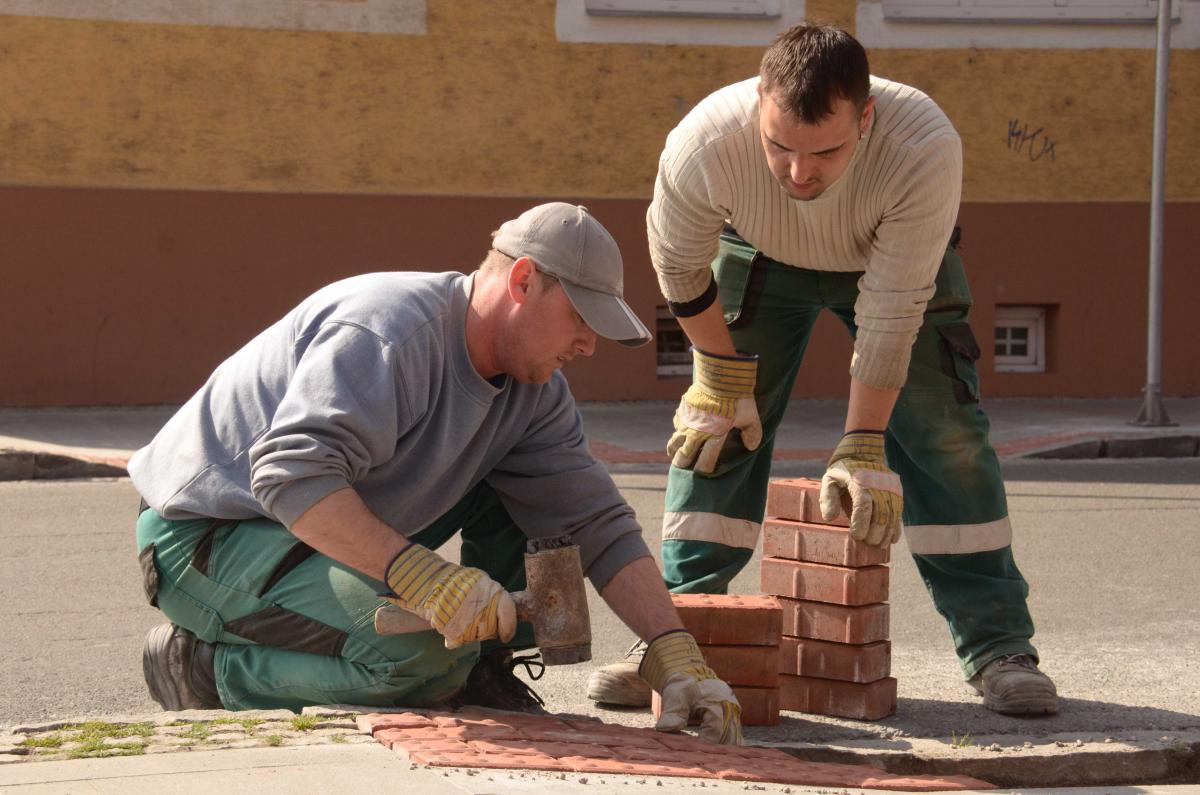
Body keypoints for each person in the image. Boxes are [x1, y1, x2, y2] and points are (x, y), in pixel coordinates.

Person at [131, 203, 742, 744]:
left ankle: (480, 667)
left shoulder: (534, 392)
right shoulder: (389, 332)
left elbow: (593, 521)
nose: (588, 345)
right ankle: (203, 669)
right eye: (582, 320)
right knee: (413, 663)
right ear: (524, 281)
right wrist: (420, 576)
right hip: (206, 538)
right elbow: (292, 476)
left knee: (528, 497)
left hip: (307, 534)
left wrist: (672, 649)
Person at [586, 25, 1058, 717]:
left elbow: (892, 313)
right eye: (779, 147)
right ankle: (672, 637)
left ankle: (999, 648)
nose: (799, 172)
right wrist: (719, 374)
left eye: (826, 151)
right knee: (716, 431)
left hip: (886, 257)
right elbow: (680, 268)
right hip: (759, 250)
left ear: (865, 119)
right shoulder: (706, 141)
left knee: (945, 437)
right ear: (758, 109)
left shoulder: (921, 146)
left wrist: (863, 440)